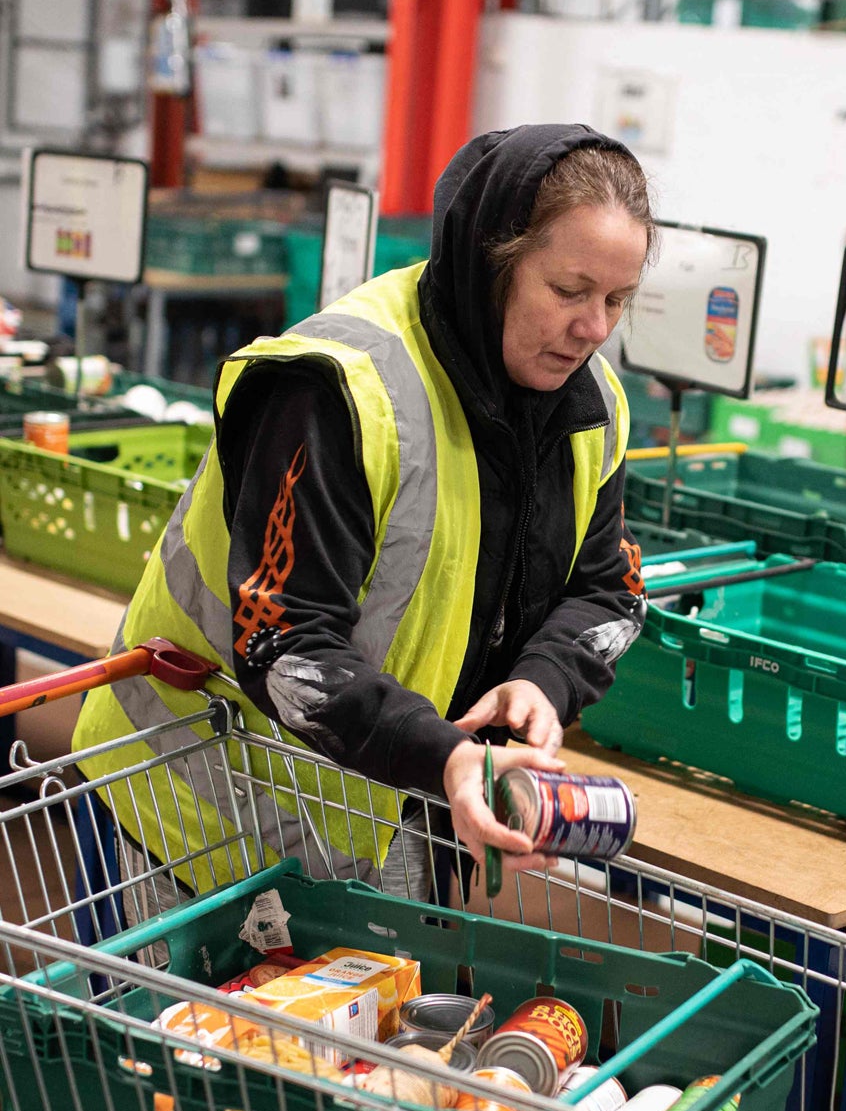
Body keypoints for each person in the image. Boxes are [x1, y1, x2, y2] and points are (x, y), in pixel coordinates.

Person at [76, 123, 652, 895]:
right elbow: (288, 643)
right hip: (202, 809)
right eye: (569, 291)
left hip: (382, 809)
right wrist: (447, 758)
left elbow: (607, 590)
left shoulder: (592, 407)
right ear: (492, 263)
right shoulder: (339, 391)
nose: (595, 329)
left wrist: (543, 680)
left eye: (618, 298)